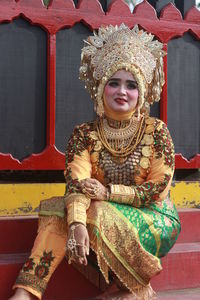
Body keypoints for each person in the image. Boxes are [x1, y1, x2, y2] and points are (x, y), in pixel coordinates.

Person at [9, 24, 181, 300]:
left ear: (142, 92)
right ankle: (26, 291)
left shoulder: (156, 131)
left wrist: (108, 193)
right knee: (56, 209)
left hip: (155, 219)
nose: (122, 91)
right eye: (113, 82)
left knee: (99, 210)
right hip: (97, 216)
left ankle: (133, 289)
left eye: (131, 85)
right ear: (101, 88)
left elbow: (158, 188)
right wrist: (76, 224)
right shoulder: (84, 134)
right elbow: (76, 182)